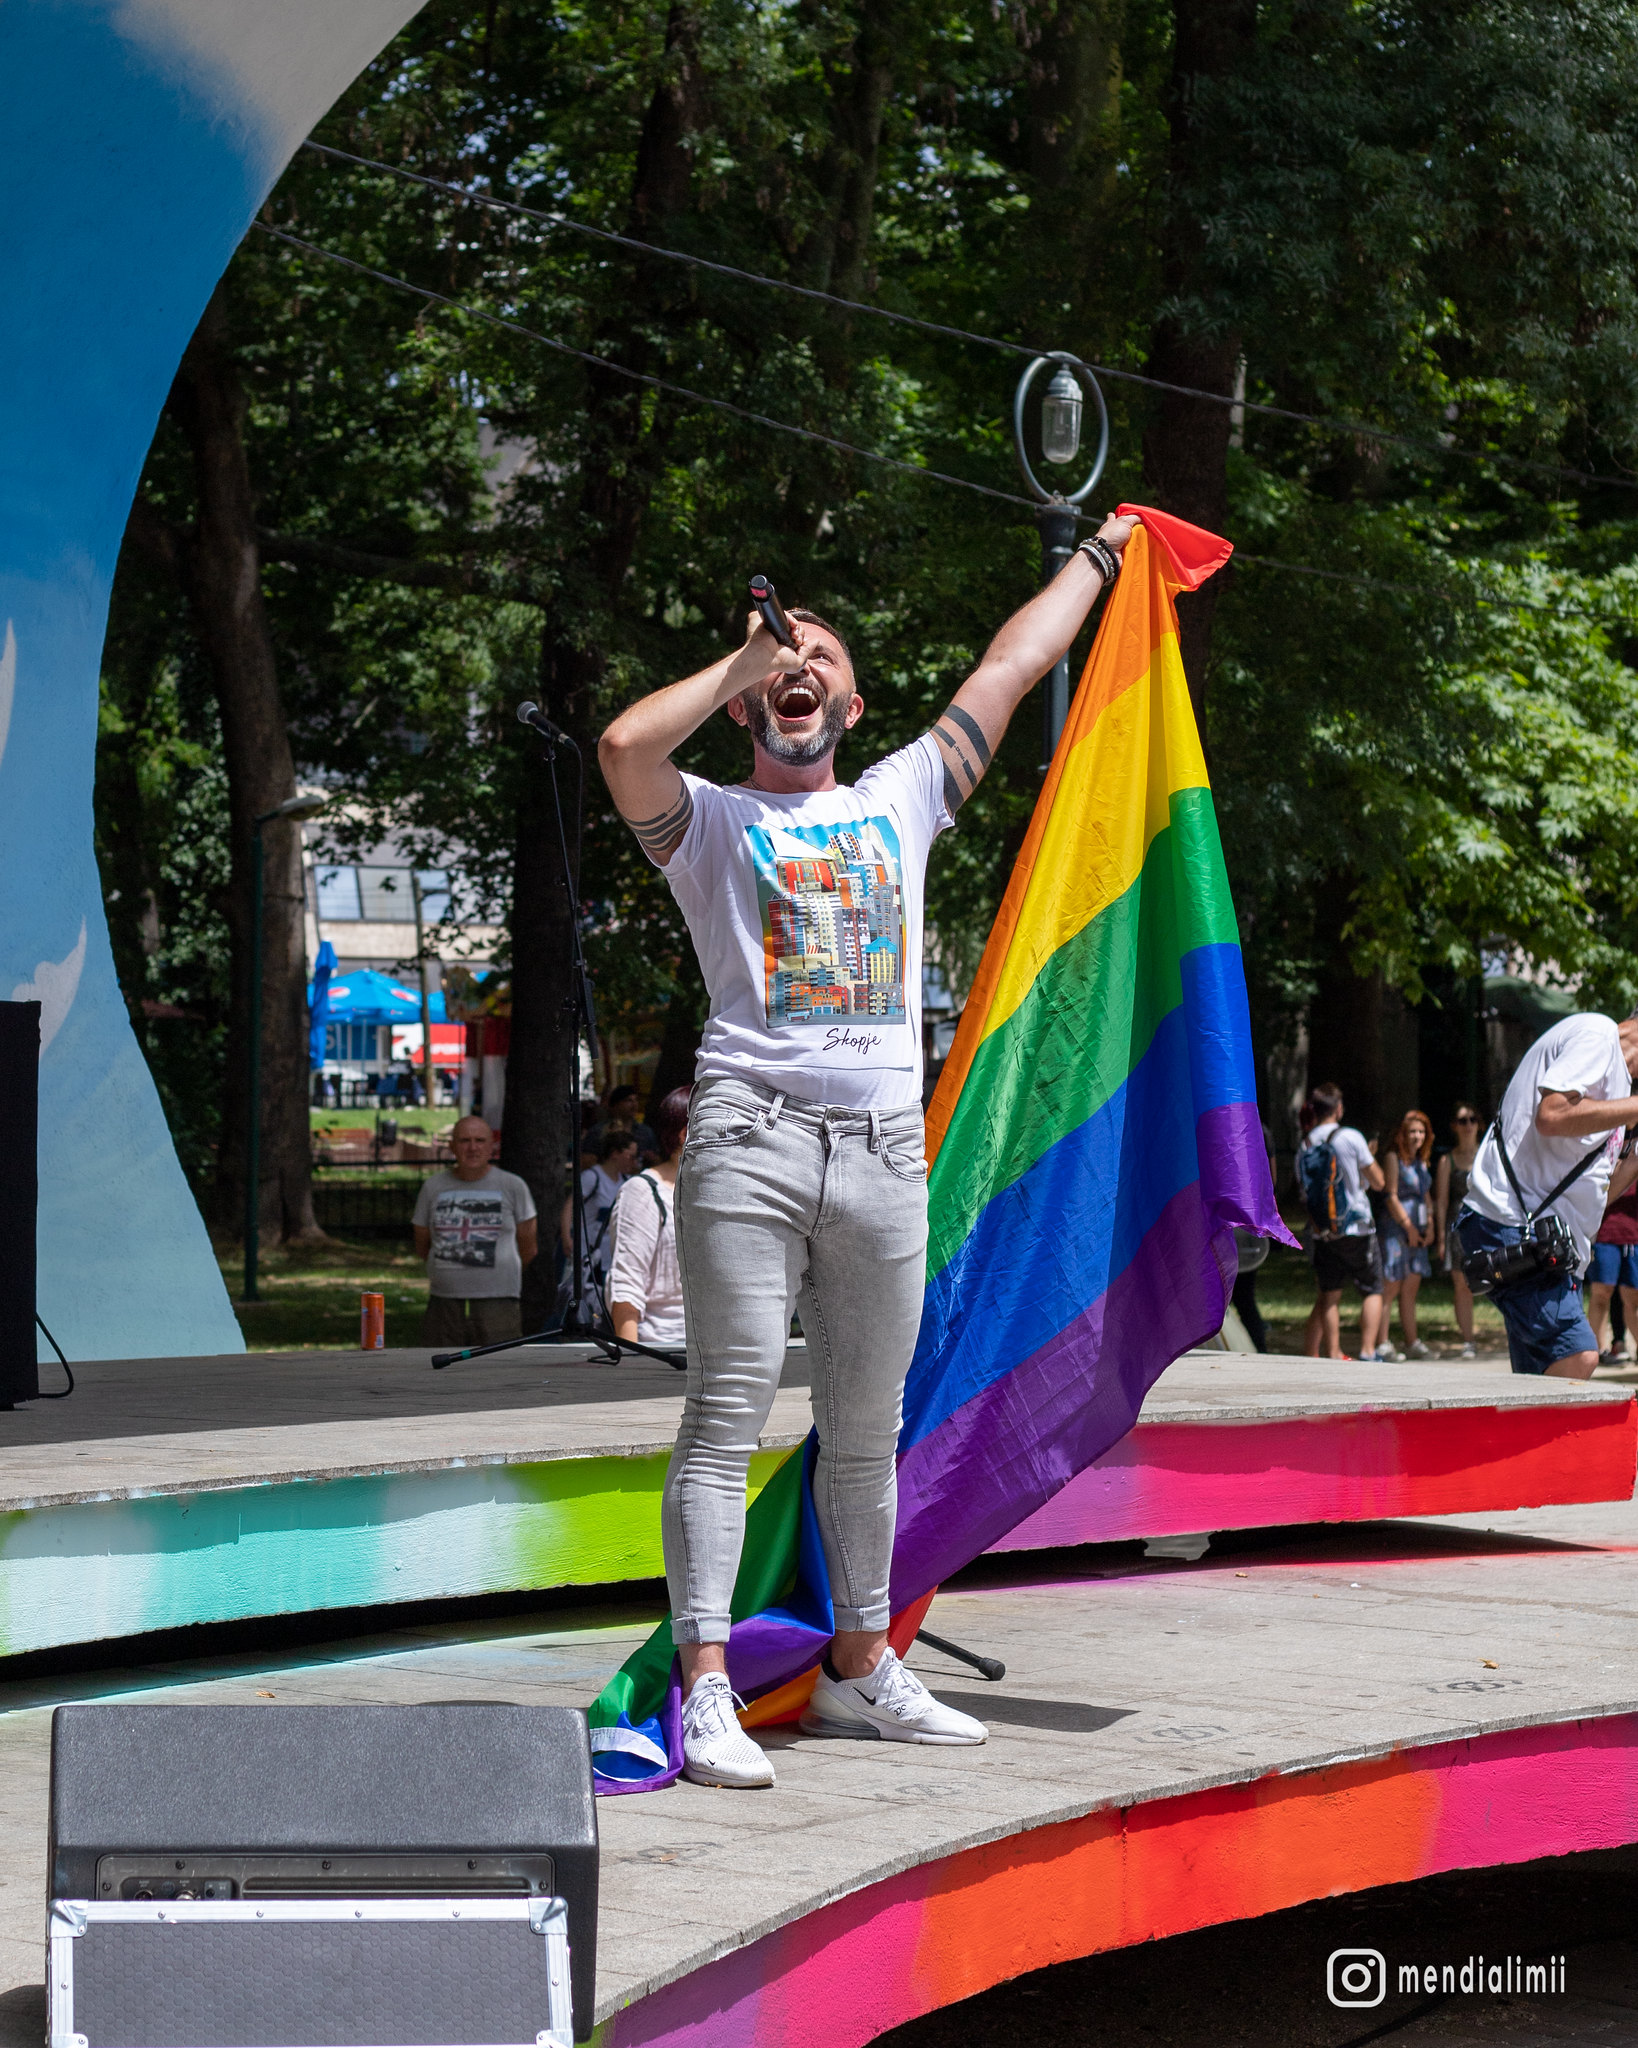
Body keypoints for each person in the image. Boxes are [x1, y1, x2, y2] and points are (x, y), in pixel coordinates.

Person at [598, 512, 1137, 1787]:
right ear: (747, 705)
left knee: (866, 1420)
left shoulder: (901, 793)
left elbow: (1008, 669)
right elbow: (623, 746)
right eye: (781, 661)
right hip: (749, 1137)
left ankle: (856, 1666)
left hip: (886, 1150)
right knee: (724, 1409)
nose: (799, 664)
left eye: (820, 655)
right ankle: (710, 1683)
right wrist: (741, 657)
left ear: (854, 698)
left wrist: (1103, 559)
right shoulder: (713, 822)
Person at [1454, 1010, 1638, 1378]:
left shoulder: (1620, 1086)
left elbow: (1601, 1192)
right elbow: (1552, 1115)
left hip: (1552, 1248)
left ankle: (1509, 1437)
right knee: (1578, 1356)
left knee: (1536, 1386)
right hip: (1513, 1226)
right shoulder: (1598, 1035)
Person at [412, 1116, 538, 1348]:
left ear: (491, 1146)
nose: (473, 1147)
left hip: (499, 1300)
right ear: (452, 1146)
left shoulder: (513, 1186)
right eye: (464, 1140)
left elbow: (528, 1246)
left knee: (499, 1369)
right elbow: (422, 1243)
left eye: (480, 1140)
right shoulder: (433, 1187)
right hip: (444, 1300)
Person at [1297, 1082, 1386, 1361]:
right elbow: (1379, 1181)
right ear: (1338, 1109)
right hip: (1357, 1227)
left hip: (1323, 1231)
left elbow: (1304, 1188)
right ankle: (1368, 1351)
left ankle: (1333, 1352)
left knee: (1329, 1294)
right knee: (1372, 1289)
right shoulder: (1351, 1137)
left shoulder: (1306, 1143)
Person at [608, 1087, 690, 1349]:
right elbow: (626, 1286)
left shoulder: (726, 1191)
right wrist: (632, 1365)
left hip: (723, 1353)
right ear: (685, 1135)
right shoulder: (643, 1191)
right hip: (661, 1349)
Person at [559, 1126, 639, 1325]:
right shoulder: (592, 1178)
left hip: (612, 1257)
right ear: (615, 1154)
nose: (634, 1162)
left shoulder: (627, 1181)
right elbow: (571, 1205)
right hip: (589, 1257)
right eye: (630, 1156)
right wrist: (566, 1237)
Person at [1379, 1109, 1435, 1359]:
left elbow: (1426, 1196)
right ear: (1402, 1134)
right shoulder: (1393, 1158)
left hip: (1419, 1229)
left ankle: (1412, 1341)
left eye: (1421, 1131)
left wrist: (1430, 1224)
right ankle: (1382, 1342)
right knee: (1391, 1286)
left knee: (1411, 1288)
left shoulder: (1422, 1162)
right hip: (1397, 1229)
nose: (1417, 1136)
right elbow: (1390, 1196)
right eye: (1412, 1131)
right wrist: (1409, 1227)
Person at [1433, 1103, 1482, 1358]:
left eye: (1472, 1119)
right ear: (1454, 1126)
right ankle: (1469, 1340)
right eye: (1462, 1120)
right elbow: (1441, 1201)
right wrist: (1441, 1237)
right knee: (1462, 1285)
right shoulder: (1447, 1160)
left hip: (1485, 1225)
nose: (1468, 1125)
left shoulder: (1488, 1155)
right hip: (1457, 1227)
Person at [1586, 1181, 1638, 1362]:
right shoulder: (1605, 1155)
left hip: (1633, 1235)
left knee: (1633, 1296)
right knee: (1602, 1292)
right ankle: (1598, 1350)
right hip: (1604, 1234)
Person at [585, 1083, 661, 1167]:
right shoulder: (598, 1131)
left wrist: (651, 1158)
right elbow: (586, 1160)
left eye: (636, 1100)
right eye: (628, 1100)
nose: (634, 1104)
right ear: (616, 1105)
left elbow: (658, 1160)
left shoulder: (645, 1132)